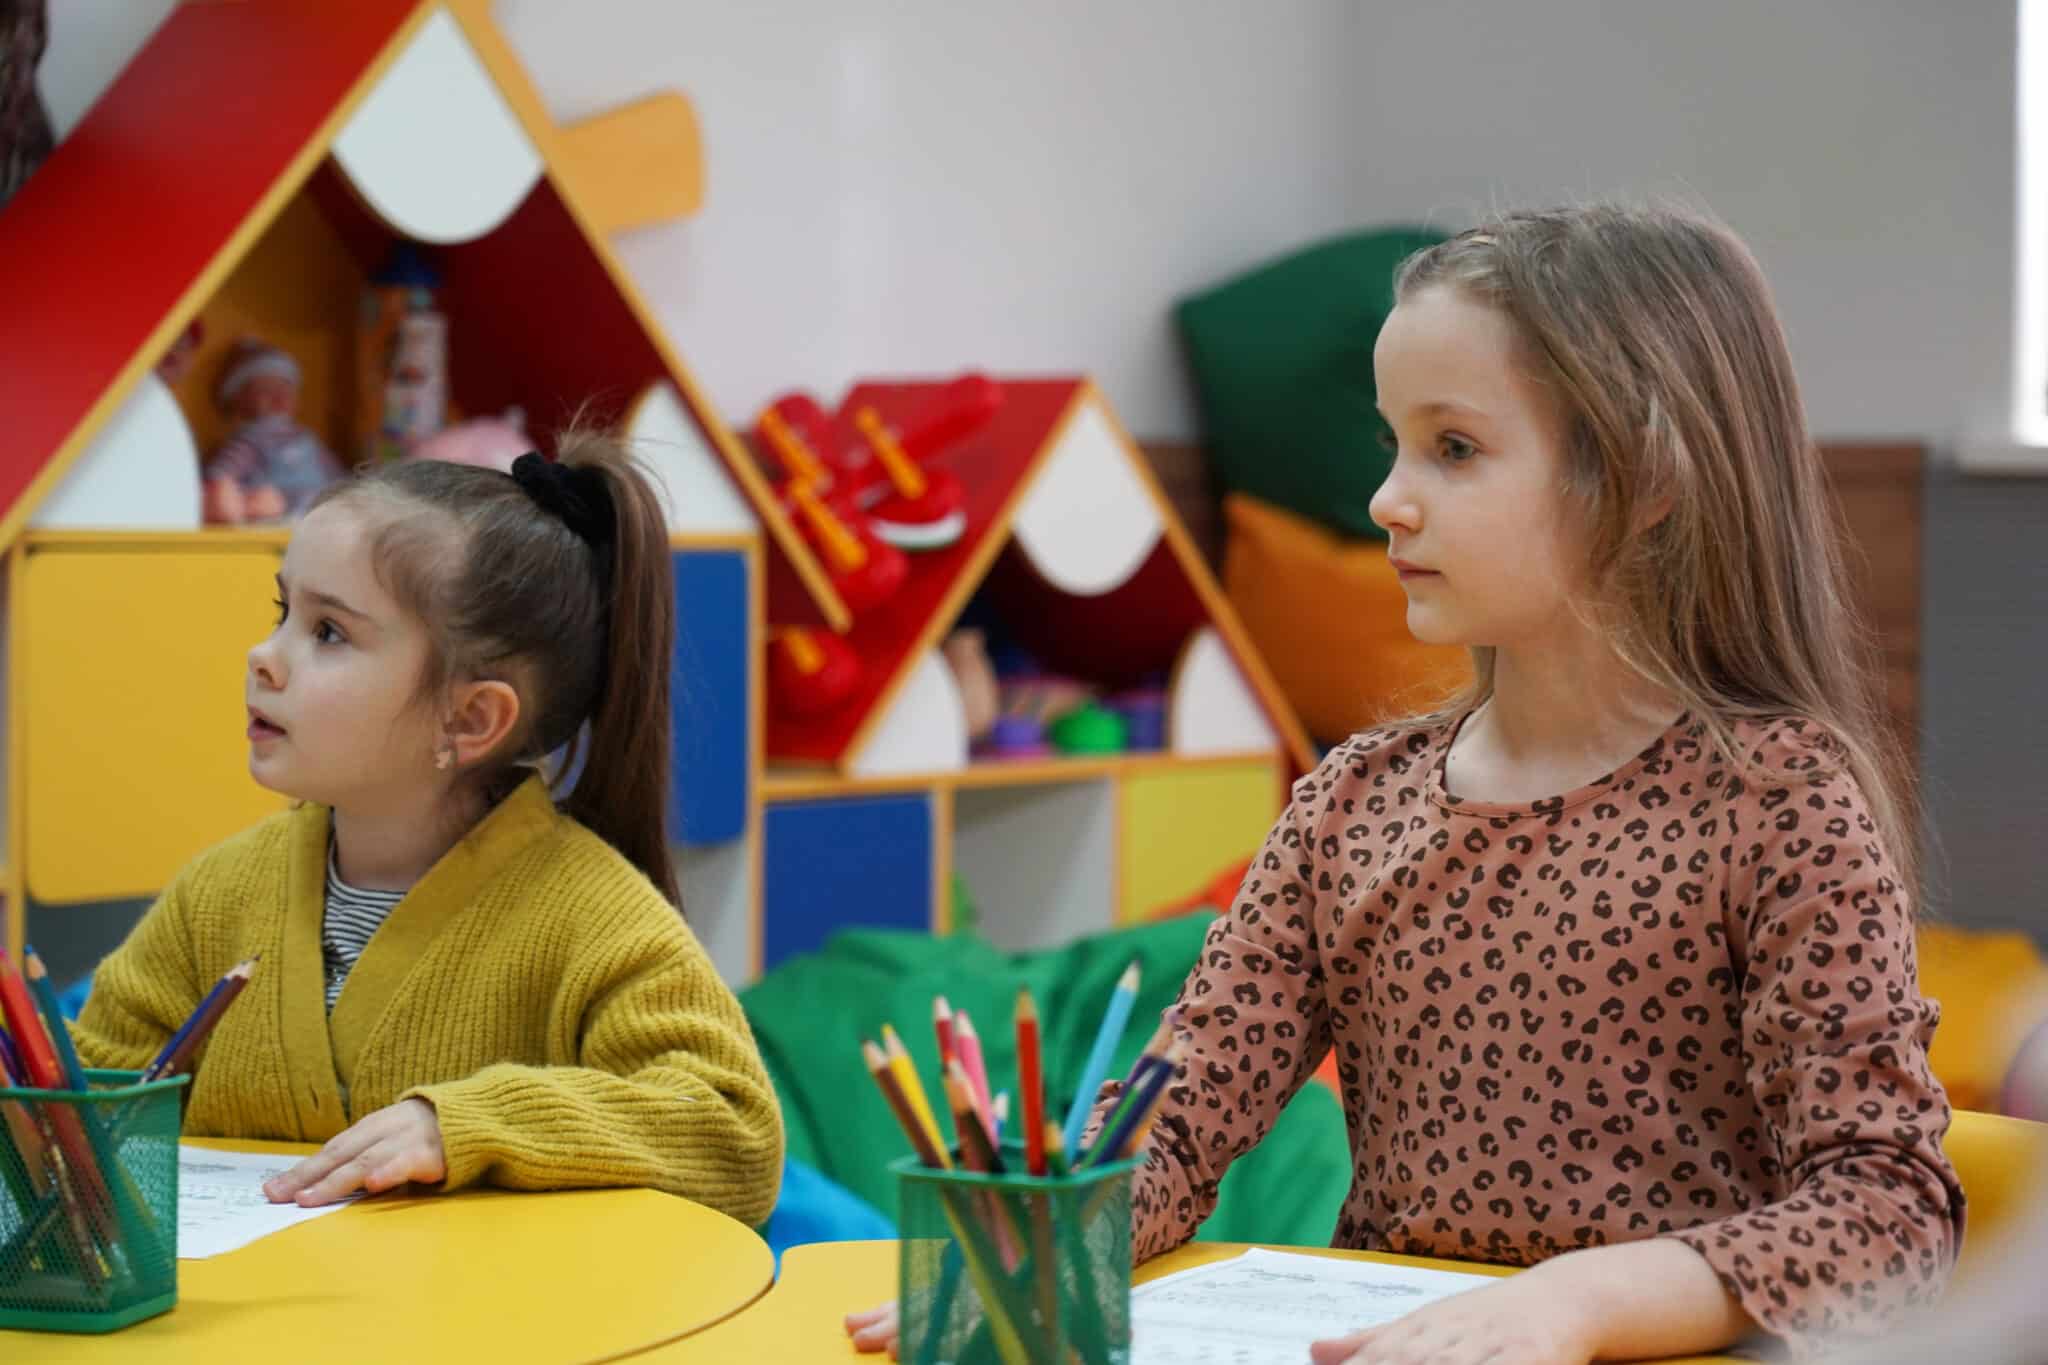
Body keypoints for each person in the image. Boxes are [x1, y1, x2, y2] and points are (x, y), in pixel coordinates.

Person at [848, 202, 1962, 1361]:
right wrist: (1038, 1257)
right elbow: (1172, 1123)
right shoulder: (1349, 805)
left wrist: (1571, 1305)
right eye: (1391, 442)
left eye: (1454, 448)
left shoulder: (1775, 803)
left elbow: (1887, 1218)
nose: (1386, 497)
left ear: (1644, 477)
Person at [75, 429, 784, 1226]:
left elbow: (733, 1130)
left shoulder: (597, 919)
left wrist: (465, 1127)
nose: (262, 656)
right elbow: (80, 1106)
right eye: (282, 611)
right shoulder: (218, 894)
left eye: (328, 632)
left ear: (471, 716)